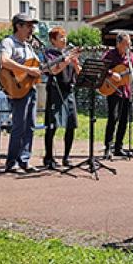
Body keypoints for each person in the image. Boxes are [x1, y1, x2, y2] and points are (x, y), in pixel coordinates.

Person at [0, 13, 50, 173]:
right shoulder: (9, 42)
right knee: (19, 126)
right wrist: (28, 69)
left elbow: (38, 67)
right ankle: (11, 162)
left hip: (30, 89)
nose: (31, 30)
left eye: (32, 26)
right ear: (18, 26)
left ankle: (24, 160)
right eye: (28, 26)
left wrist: (57, 63)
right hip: (16, 89)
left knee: (30, 126)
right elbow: (4, 61)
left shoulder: (29, 46)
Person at [42, 27, 82, 169]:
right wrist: (66, 60)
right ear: (53, 40)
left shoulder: (70, 54)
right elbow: (54, 70)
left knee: (71, 125)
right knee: (52, 125)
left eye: (65, 37)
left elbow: (79, 74)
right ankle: (48, 157)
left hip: (69, 91)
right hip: (55, 90)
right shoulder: (50, 54)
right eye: (60, 37)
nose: (64, 40)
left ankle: (66, 157)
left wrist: (76, 64)